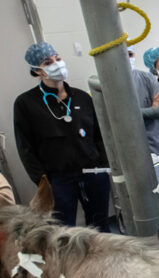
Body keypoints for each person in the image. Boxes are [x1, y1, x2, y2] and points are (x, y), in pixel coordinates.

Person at [14, 42, 110, 231]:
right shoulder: (26, 103)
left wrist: (103, 165)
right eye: (47, 62)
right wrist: (42, 181)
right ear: (37, 71)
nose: (56, 64)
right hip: (58, 179)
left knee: (100, 226)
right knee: (64, 230)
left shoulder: (82, 97)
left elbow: (99, 135)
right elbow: (25, 148)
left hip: (93, 172)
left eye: (57, 58)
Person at [128, 46, 159, 155]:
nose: (126, 58)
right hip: (128, 150)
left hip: (156, 147)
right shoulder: (104, 85)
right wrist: (152, 111)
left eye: (129, 54)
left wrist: (132, 114)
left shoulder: (146, 78)